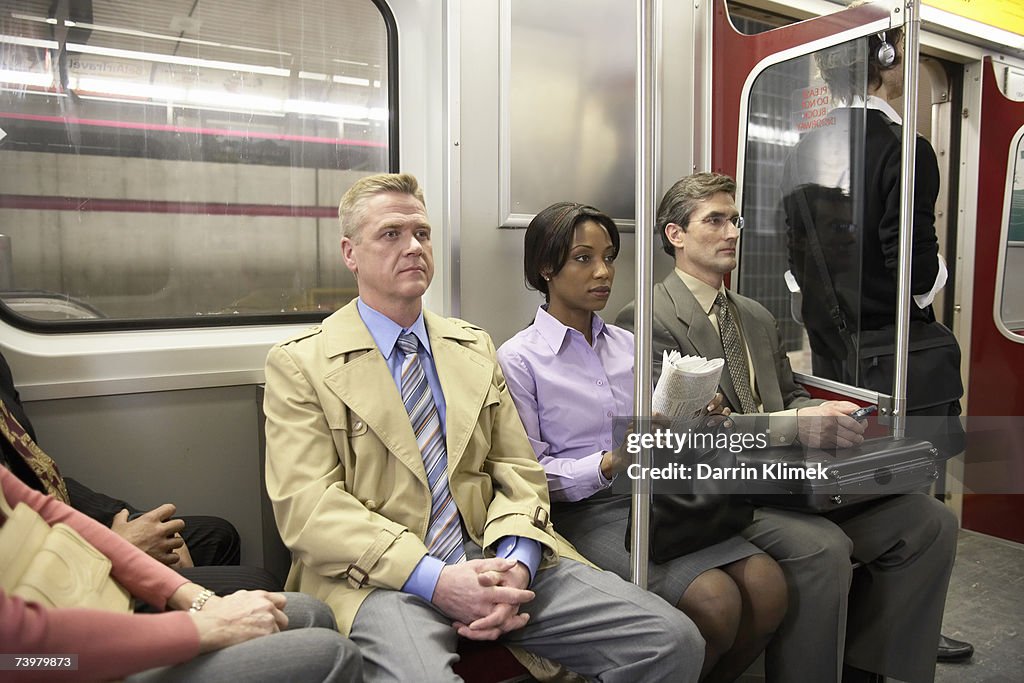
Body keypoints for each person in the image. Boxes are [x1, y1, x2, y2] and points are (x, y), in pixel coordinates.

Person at [263, 172, 705, 682]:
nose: (413, 247)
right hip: (377, 577)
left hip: (491, 548)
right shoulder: (302, 364)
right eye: (391, 234)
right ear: (350, 253)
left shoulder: (470, 347)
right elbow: (309, 511)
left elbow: (519, 472)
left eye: (422, 234)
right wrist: (437, 580)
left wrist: (516, 560)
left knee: (671, 640)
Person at [616, 172, 958, 683]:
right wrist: (795, 424)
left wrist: (829, 417)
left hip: (789, 481)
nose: (732, 232)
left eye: (735, 220)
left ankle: (871, 668)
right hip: (718, 488)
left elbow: (786, 396)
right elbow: (678, 438)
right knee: (823, 549)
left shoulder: (754, 316)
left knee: (930, 522)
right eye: (715, 220)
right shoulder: (646, 319)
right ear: (675, 235)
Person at [496, 201, 787, 682]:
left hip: (655, 496)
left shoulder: (628, 345)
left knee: (768, 585)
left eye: (609, 257)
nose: (604, 272)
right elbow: (529, 474)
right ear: (546, 268)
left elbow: (659, 430)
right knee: (717, 602)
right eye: (583, 258)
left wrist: (700, 418)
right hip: (583, 512)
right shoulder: (519, 359)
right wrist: (609, 463)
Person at [780, 27, 967, 466]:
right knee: (902, 492)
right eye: (902, 47)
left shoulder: (801, 151)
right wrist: (936, 273)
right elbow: (915, 274)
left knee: (847, 477)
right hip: (890, 363)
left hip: (829, 358)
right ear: (884, 57)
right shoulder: (906, 148)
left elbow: (797, 265)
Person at [0, 465, 362, 682]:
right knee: (333, 653)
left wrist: (196, 599)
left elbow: (50, 510)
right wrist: (210, 627)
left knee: (310, 613)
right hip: (40, 662)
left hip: (71, 611)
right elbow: (19, 643)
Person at [0, 351, 280, 596]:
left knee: (217, 536)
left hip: (54, 529)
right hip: (38, 583)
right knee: (258, 584)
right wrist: (116, 547)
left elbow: (39, 474)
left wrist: (130, 518)